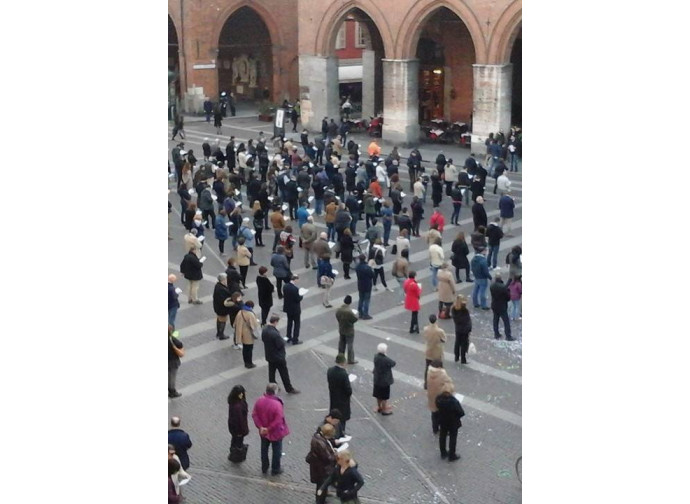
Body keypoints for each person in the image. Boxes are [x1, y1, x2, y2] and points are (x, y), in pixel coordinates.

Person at [252, 383, 291, 475]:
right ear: (274, 392)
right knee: (277, 450)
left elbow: (255, 415)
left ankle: (264, 467)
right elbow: (278, 420)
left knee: (264, 449)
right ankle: (275, 468)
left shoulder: (259, 401)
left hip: (263, 431)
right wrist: (269, 429)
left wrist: (261, 427)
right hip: (275, 432)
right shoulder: (277, 404)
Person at [261, 315, 300, 394]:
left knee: (271, 373)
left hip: (269, 355)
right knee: (284, 373)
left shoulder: (264, 330)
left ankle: (272, 387)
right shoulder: (275, 334)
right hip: (278, 357)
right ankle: (289, 388)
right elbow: (280, 344)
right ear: (275, 322)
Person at [308, 423, 338, 503]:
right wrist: (335, 455)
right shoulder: (321, 443)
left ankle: (321, 500)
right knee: (321, 486)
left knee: (321, 486)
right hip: (322, 469)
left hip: (319, 468)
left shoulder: (318, 438)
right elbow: (328, 458)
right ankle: (320, 501)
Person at [436, 385, 465, 461]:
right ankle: (452, 455)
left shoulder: (439, 398)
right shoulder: (453, 401)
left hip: (442, 421)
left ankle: (443, 453)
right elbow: (461, 412)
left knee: (442, 436)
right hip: (453, 423)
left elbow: (437, 406)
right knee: (453, 438)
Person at [327, 353, 353, 434]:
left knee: (334, 415)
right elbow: (348, 390)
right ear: (343, 362)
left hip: (333, 397)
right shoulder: (343, 374)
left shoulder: (330, 370)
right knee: (342, 418)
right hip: (342, 400)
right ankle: (341, 433)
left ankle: (333, 431)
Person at [426, 360, 453, 434]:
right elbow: (449, 384)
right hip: (440, 397)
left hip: (431, 396)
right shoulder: (442, 374)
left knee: (434, 413)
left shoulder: (429, 372)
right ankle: (443, 429)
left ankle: (435, 428)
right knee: (443, 414)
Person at [423, 314, 446, 389]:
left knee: (427, 367)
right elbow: (444, 340)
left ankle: (426, 383)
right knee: (439, 368)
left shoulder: (425, 329)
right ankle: (439, 383)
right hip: (437, 351)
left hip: (429, 350)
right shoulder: (439, 331)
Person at [227, 385, 250, 462]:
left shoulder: (234, 402)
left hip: (234, 427)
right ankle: (236, 456)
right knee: (238, 441)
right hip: (238, 428)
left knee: (234, 440)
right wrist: (240, 431)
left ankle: (233, 453)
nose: (242, 395)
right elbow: (238, 420)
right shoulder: (238, 406)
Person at [235, 300, 260, 368]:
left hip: (241, 333)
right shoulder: (250, 314)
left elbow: (235, 323)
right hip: (248, 334)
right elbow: (254, 325)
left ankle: (246, 362)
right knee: (249, 349)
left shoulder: (240, 312)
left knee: (245, 349)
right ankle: (249, 363)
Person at [373, 343, 396, 415]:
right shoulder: (386, 359)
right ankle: (384, 410)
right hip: (385, 381)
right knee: (384, 397)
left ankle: (379, 407)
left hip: (377, 379)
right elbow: (393, 363)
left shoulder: (376, 357)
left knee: (378, 395)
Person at [490, 271, 513, 340]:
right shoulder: (503, 287)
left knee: (495, 320)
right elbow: (508, 297)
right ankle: (508, 335)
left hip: (494, 305)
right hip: (502, 306)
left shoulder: (492, 286)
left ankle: (496, 334)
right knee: (506, 321)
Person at [335, 296, 358, 365]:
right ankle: (350, 360)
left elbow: (337, 317)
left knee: (341, 343)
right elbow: (355, 319)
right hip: (349, 330)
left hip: (341, 329)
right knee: (350, 345)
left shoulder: (338, 310)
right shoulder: (349, 312)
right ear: (350, 302)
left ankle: (340, 358)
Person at [451, 295, 472, 363]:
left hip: (458, 328)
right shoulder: (464, 310)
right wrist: (469, 328)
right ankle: (463, 359)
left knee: (457, 342)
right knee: (464, 344)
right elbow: (467, 320)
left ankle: (456, 357)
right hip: (465, 329)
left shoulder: (454, 309)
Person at [282, 274, 303, 344]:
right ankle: (295, 339)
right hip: (295, 309)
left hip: (288, 308)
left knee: (289, 323)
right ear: (295, 279)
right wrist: (301, 295)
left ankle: (288, 336)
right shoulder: (295, 289)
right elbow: (298, 299)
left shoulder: (285, 286)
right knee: (297, 324)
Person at [213, 273, 233, 340]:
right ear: (223, 280)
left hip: (217, 307)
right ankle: (221, 335)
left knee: (219, 320)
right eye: (226, 279)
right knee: (223, 321)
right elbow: (226, 298)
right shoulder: (222, 289)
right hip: (222, 308)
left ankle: (218, 333)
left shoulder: (217, 286)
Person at [355, 254, 374, 320]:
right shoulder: (367, 268)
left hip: (360, 285)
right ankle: (365, 314)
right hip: (367, 285)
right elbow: (372, 275)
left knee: (361, 299)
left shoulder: (357, 267)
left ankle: (360, 313)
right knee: (366, 300)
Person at [168, 326, 184, 398]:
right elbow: (180, 344)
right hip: (173, 361)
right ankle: (172, 391)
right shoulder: (172, 339)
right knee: (172, 376)